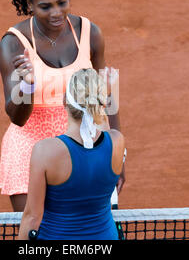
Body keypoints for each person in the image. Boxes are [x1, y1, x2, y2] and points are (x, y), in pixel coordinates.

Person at [0, 0, 124, 212]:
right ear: (30, 4)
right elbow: (17, 117)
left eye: (62, 2)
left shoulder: (90, 33)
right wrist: (28, 86)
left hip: (86, 143)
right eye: (45, 6)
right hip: (30, 150)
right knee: (38, 234)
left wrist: (118, 152)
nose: (57, 13)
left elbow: (104, 96)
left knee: (95, 229)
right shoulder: (13, 44)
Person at [18, 68, 125, 240]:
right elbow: (103, 128)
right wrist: (107, 93)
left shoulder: (45, 151)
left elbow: (32, 218)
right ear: (101, 102)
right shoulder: (117, 142)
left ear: (64, 101)